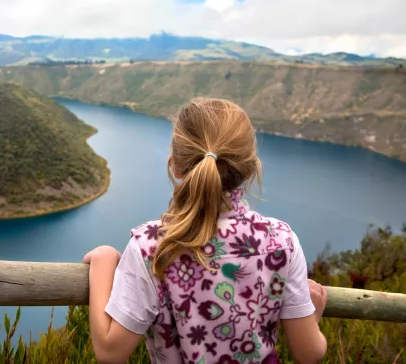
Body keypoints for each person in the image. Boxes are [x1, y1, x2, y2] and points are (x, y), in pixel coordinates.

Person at [83, 98, 328, 364]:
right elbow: (309, 353)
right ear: (250, 167)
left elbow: (110, 353)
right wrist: (311, 316)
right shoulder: (281, 240)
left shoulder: (152, 248)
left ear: (174, 166)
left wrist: (103, 261)